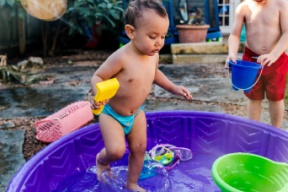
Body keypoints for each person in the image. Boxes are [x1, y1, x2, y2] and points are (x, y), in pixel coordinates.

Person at [90, 0, 193, 191]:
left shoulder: (153, 54)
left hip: (136, 113)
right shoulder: (122, 57)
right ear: (131, 32)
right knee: (116, 151)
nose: (159, 42)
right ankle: (101, 160)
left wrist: (173, 88)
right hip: (112, 113)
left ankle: (132, 183)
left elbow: (155, 74)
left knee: (139, 150)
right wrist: (99, 95)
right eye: (153, 36)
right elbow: (98, 76)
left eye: (163, 36)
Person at [226, 0, 288, 128]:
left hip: (276, 60)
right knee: (253, 96)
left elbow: (287, 33)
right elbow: (234, 35)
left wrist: (274, 54)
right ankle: (252, 131)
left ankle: (276, 131)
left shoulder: (281, 4)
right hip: (251, 60)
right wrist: (232, 53)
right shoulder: (244, 7)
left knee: (276, 97)